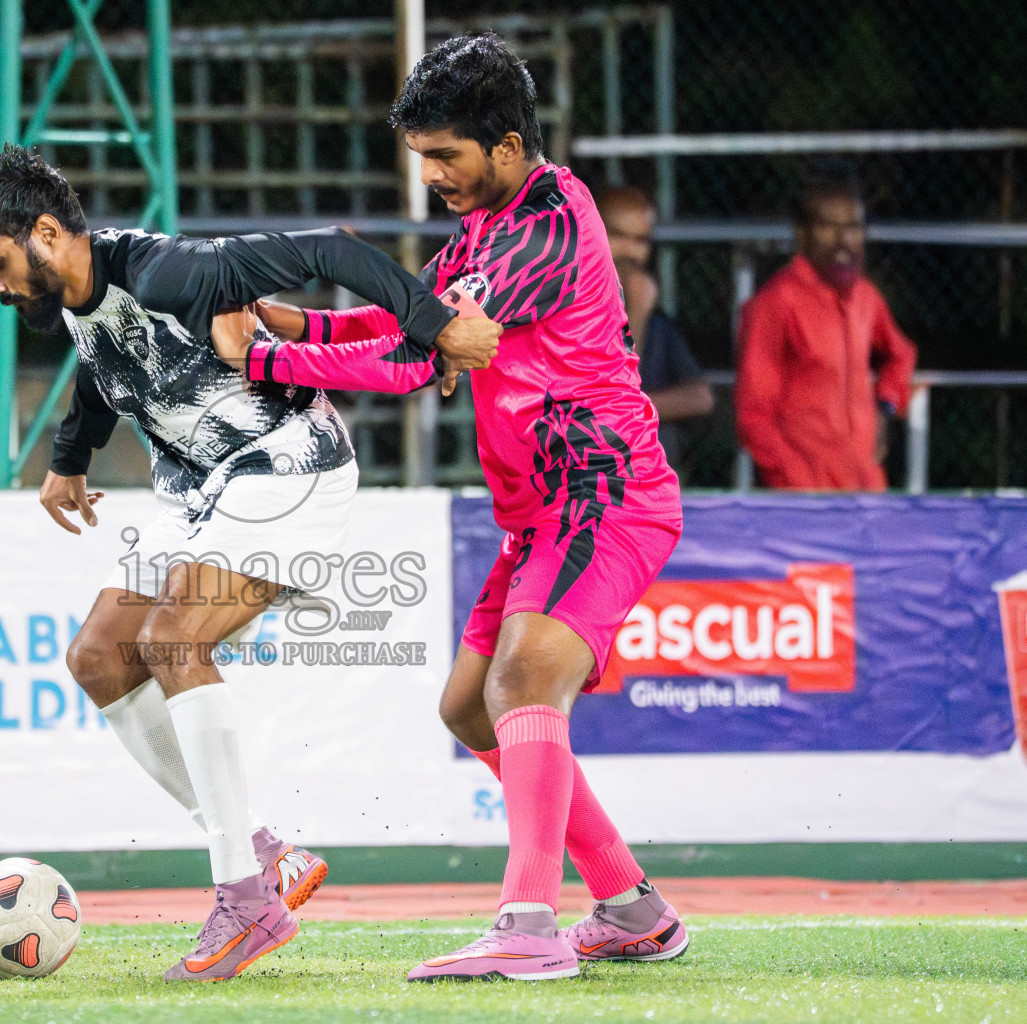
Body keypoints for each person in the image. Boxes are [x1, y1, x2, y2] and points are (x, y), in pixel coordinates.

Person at [0, 144, 500, 982]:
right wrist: (71, 457)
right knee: (98, 655)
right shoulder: (76, 295)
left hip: (290, 464)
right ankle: (263, 855)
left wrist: (435, 328)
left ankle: (244, 901)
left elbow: (333, 250)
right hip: (208, 490)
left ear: (50, 233)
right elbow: (107, 369)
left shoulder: (173, 270)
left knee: (175, 639)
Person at [214, 34, 688, 981]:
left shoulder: (549, 222)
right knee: (472, 708)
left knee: (521, 683)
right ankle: (632, 907)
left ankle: (527, 923)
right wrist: (298, 322)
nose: (430, 176)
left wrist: (262, 360)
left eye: (446, 156)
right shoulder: (484, 228)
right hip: (545, 515)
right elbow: (412, 319)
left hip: (607, 492)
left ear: (507, 144)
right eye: (422, 157)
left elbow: (420, 356)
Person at [734, 162, 918, 491]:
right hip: (805, 498)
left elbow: (901, 354)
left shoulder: (865, 296)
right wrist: (798, 482)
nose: (844, 240)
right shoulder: (775, 304)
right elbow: (753, 416)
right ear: (802, 233)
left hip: (866, 488)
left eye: (854, 227)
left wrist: (885, 407)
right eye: (828, 227)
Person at [596, 187, 714, 467]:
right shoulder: (561, 307)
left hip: (649, 479)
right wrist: (635, 310)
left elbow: (700, 397)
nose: (631, 251)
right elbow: (603, 394)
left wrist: (634, 408)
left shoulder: (656, 320)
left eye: (640, 241)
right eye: (618, 236)